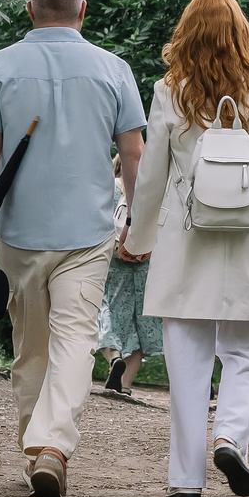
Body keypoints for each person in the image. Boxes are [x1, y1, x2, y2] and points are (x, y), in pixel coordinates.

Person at [0, 0, 146, 497]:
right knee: (76, 341)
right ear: (83, 10)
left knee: (32, 344)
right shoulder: (114, 69)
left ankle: (38, 448)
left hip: (19, 232)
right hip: (87, 233)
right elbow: (133, 150)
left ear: (30, 8)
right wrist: (135, 219)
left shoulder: (1, 66)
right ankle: (52, 447)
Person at [124, 0, 249, 497]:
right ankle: (230, 437)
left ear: (186, 35)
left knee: (187, 362)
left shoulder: (168, 93)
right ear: (242, 36)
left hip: (186, 241)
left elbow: (153, 174)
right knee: (246, 354)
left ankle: (185, 480)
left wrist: (138, 238)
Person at [96, 157, 162, 400]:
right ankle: (123, 385)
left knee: (104, 310)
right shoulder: (153, 192)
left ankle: (114, 359)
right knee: (139, 323)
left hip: (113, 260)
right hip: (145, 261)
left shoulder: (109, 186)